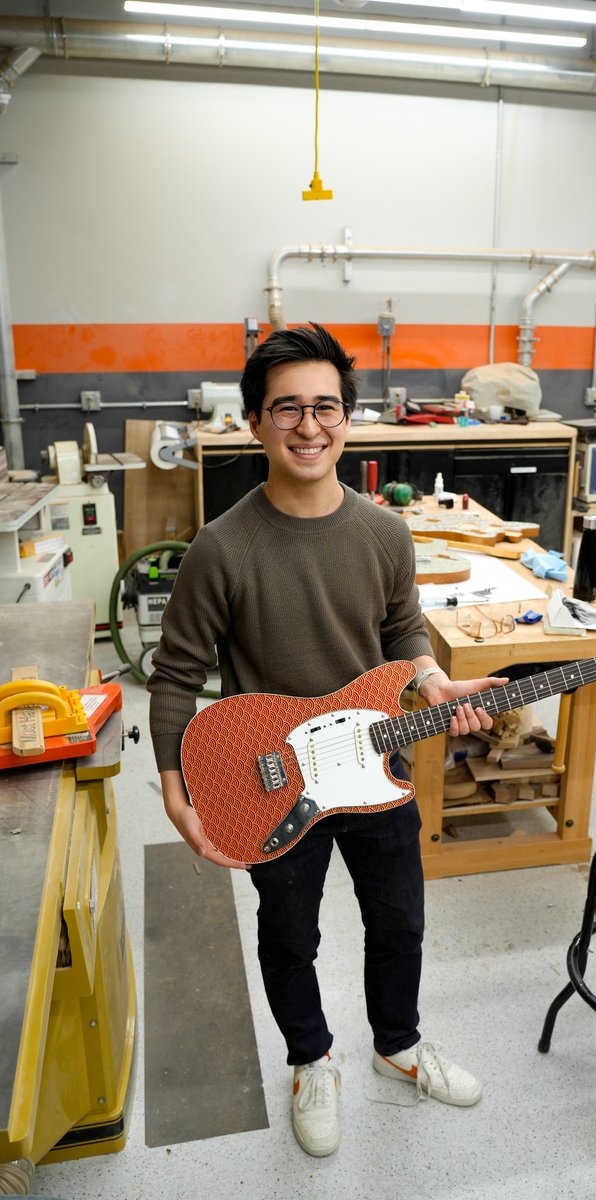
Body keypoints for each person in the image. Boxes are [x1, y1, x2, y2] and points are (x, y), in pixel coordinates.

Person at [147, 323, 508, 1158]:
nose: (309, 427)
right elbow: (173, 677)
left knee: (401, 924)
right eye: (287, 410)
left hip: (375, 767)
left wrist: (432, 682)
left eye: (326, 407)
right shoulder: (221, 548)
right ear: (254, 422)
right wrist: (175, 792)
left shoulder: (385, 533)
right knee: (288, 937)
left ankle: (398, 1046)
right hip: (270, 784)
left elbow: (403, 631)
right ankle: (312, 1059)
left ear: (349, 418)